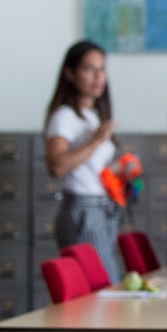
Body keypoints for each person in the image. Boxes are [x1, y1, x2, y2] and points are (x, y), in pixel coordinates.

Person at [44, 40, 124, 283]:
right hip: (83, 210)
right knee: (102, 287)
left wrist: (120, 171)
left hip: (102, 208)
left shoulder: (92, 116)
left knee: (106, 283)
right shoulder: (64, 117)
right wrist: (97, 140)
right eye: (89, 69)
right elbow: (57, 166)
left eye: (102, 69)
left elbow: (91, 169)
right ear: (70, 73)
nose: (98, 76)